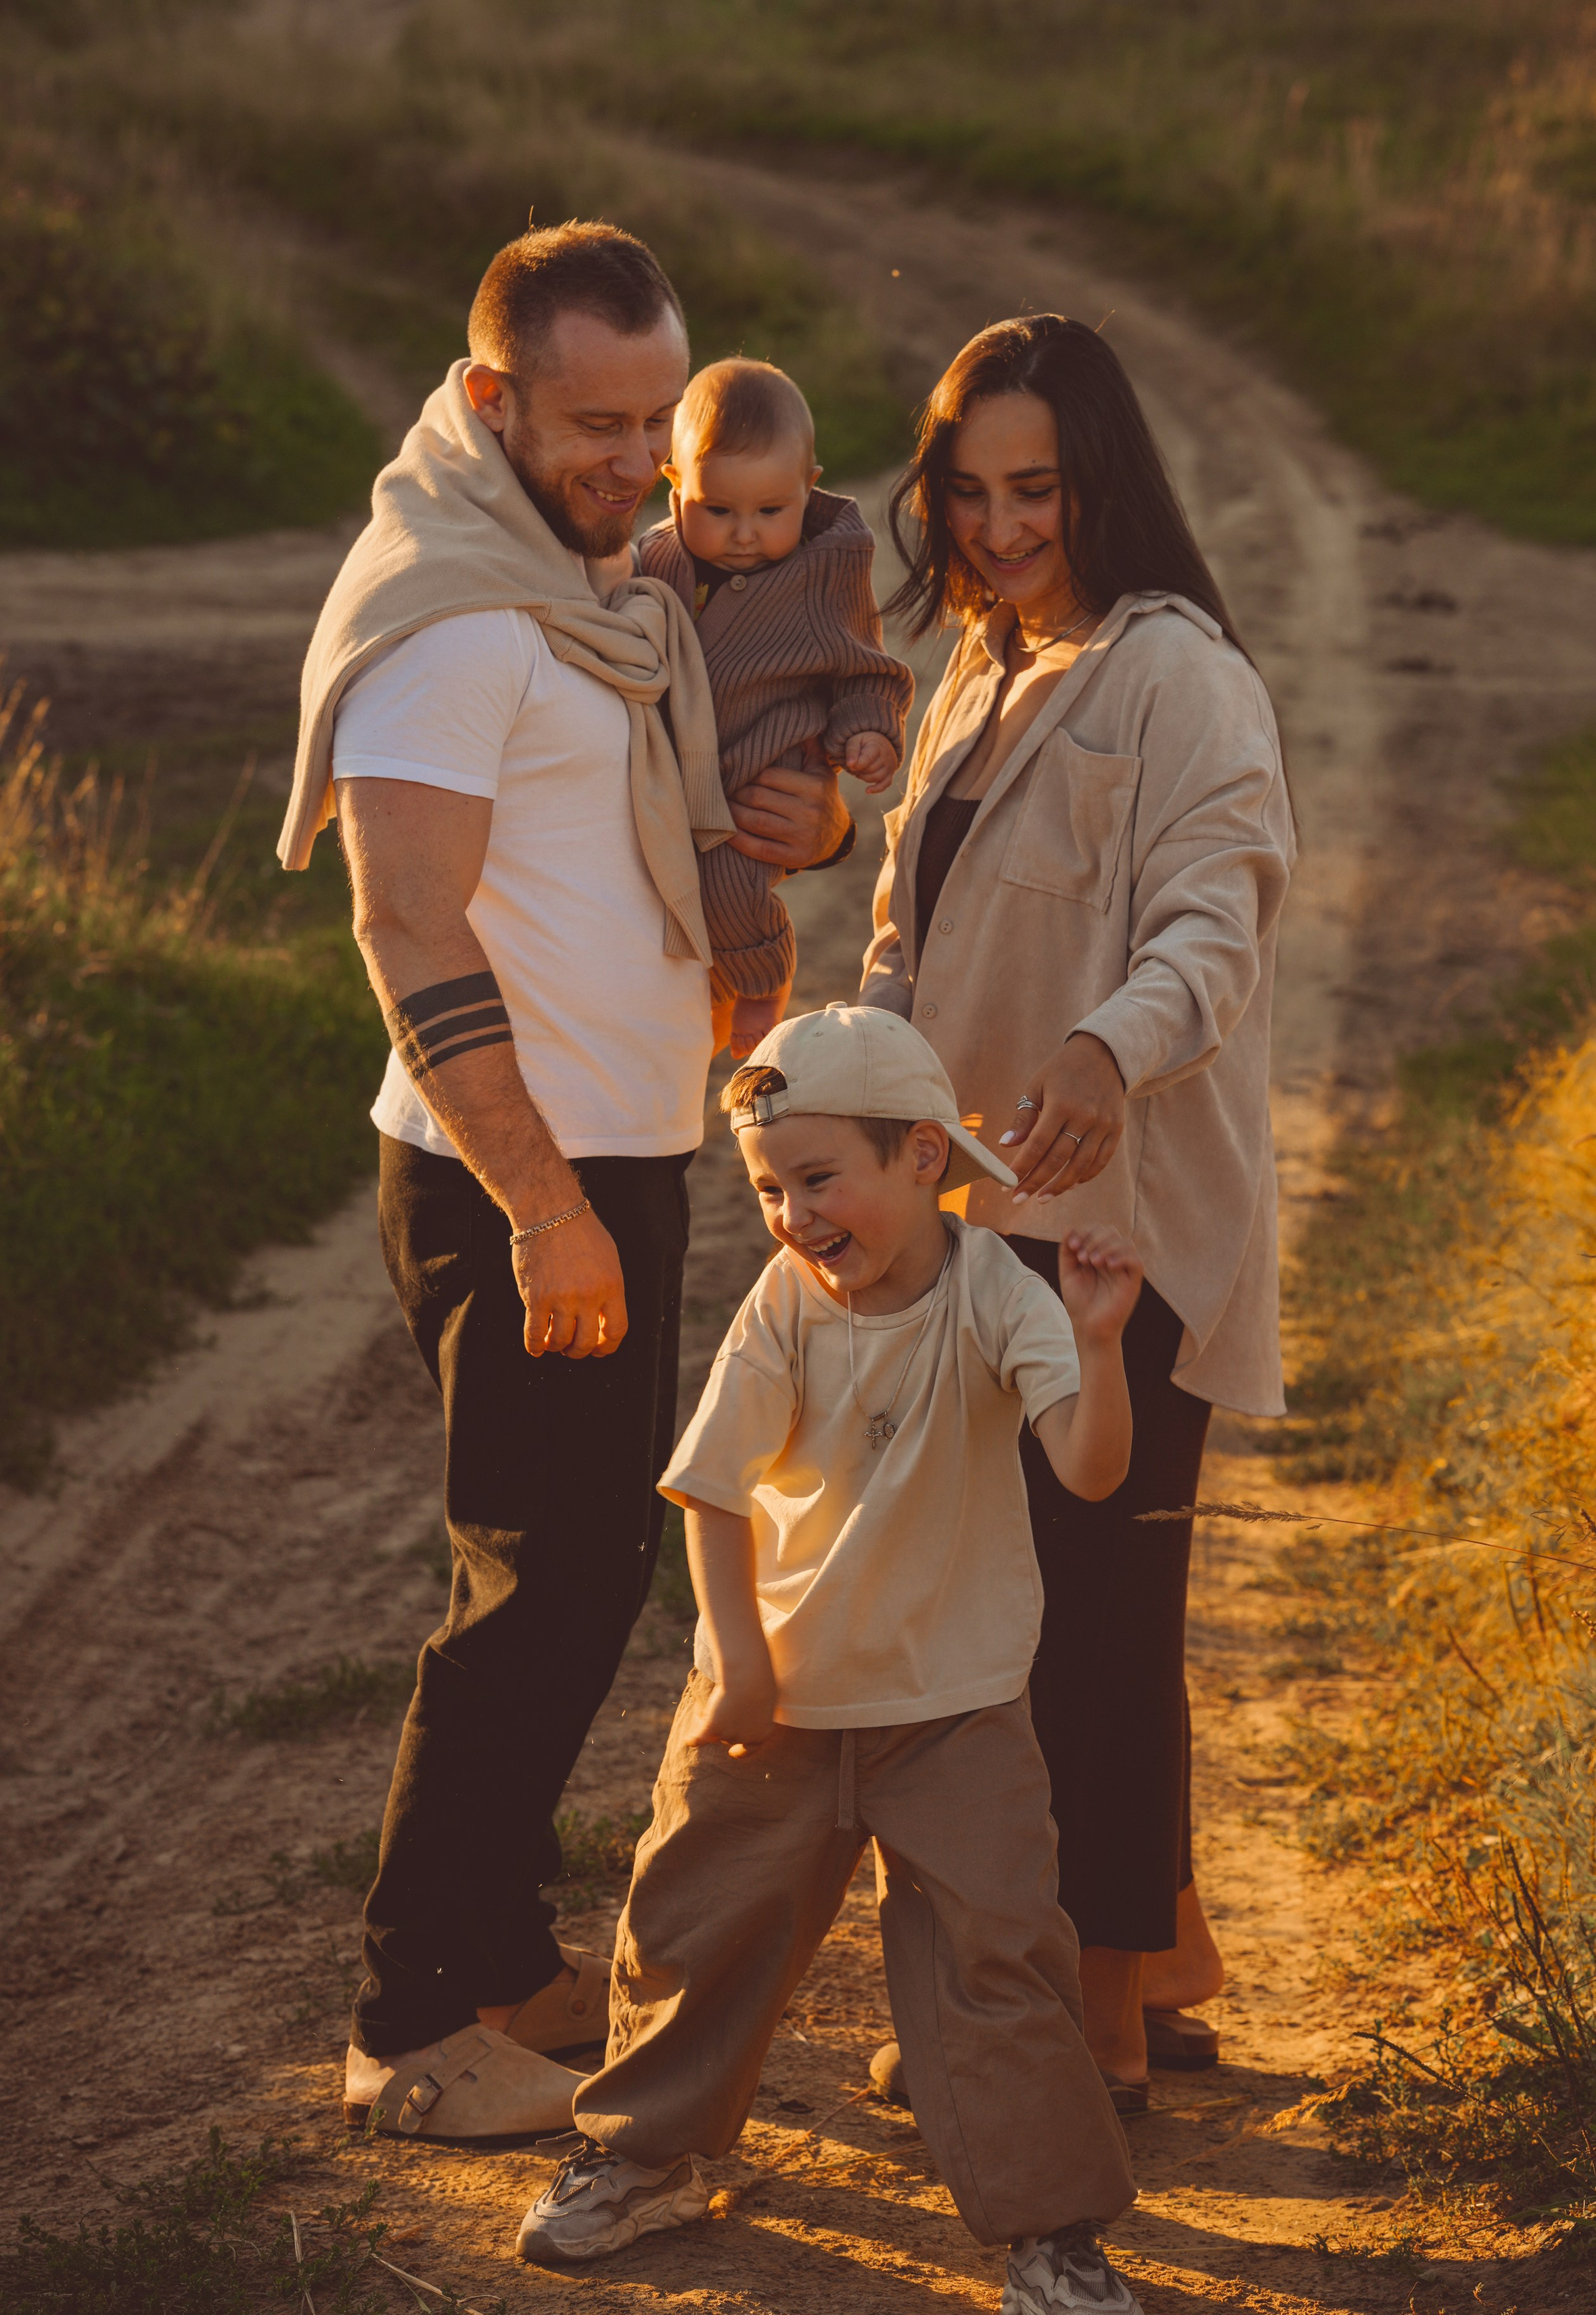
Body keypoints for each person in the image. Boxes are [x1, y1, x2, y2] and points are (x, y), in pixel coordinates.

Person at [276, 220, 851, 2144]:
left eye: (647, 422)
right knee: (530, 1585)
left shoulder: (580, 581)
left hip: (619, 1142)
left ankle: (506, 1953)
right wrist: (544, 1207)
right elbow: (407, 921)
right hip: (518, 1177)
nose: (630, 461)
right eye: (592, 424)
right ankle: (415, 2022)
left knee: (593, 1571)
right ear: (493, 396)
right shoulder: (448, 616)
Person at [515, 1004, 1146, 2314]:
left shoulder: (995, 1295)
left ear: (922, 1159)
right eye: (766, 1189)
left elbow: (1089, 1472)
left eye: (816, 1179)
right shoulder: (782, 1308)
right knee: (693, 1927)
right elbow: (713, 1496)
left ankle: (1046, 2229)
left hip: (955, 1710)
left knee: (1000, 1957)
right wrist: (738, 1673)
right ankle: (644, 2158)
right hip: (776, 1699)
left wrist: (1095, 1341)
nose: (792, 1216)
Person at [859, 313, 1293, 2105]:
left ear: (1098, 480)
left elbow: (1218, 916)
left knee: (1096, 1630)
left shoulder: (1175, 674)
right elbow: (909, 936)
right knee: (989, 1618)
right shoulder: (976, 673)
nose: (1000, 526)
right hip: (970, 1224)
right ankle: (1140, 1953)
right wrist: (849, 1082)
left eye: (1034, 489)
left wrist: (1111, 1052)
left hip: (1120, 1236)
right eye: (968, 493)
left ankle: (1093, 2021)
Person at [639, 357, 913, 1058]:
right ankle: (704, 991)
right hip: (672, 777)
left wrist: (868, 732)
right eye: (717, 510)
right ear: (673, 487)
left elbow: (865, 669)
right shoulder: (651, 563)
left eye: (770, 511)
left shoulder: (824, 574)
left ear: (808, 488)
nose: (743, 534)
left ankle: (761, 979)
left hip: (760, 766)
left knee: (729, 878)